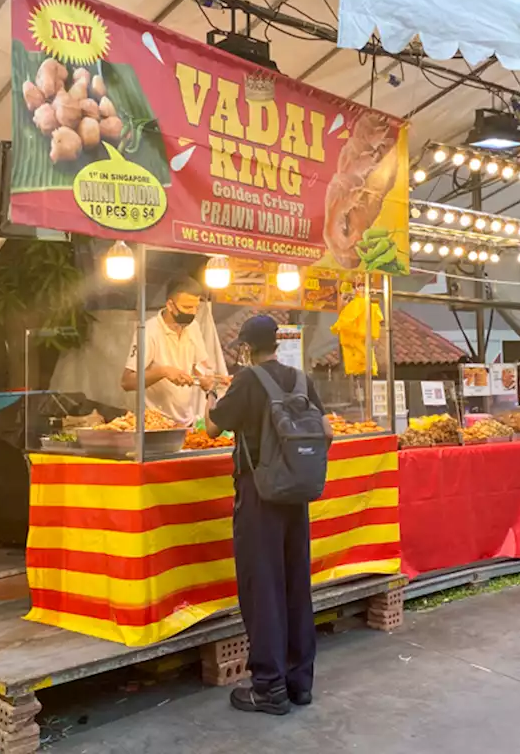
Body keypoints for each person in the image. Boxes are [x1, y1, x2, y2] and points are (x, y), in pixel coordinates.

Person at [206, 315, 331, 715]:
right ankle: (300, 684)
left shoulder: (247, 380)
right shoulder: (299, 379)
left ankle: (269, 687)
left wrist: (212, 392)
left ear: (246, 347)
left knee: (263, 588)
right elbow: (326, 431)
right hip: (296, 495)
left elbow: (212, 428)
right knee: (296, 584)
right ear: (277, 343)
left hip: (259, 494)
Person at [121, 276, 227, 425]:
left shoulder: (193, 327)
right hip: (156, 422)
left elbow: (201, 365)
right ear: (170, 305)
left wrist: (209, 378)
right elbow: (127, 382)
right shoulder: (148, 332)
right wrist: (163, 372)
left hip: (186, 421)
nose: (193, 313)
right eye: (187, 308)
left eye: (196, 307)